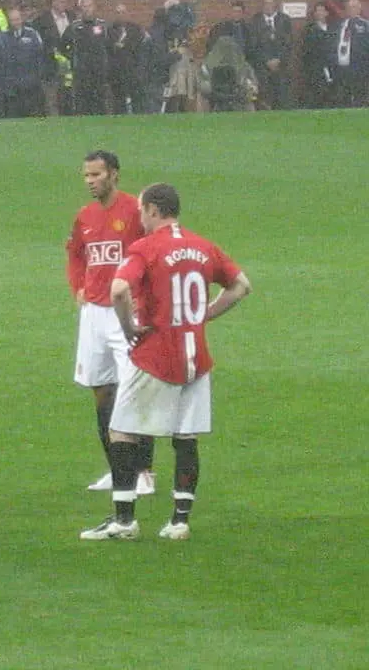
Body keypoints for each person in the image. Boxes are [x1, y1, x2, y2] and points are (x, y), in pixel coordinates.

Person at [80, 183, 252, 541]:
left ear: (155, 211)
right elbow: (241, 286)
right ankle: (179, 522)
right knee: (185, 436)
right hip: (196, 357)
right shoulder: (203, 246)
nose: (138, 217)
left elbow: (118, 290)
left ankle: (124, 521)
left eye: (142, 210)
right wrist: (203, 315)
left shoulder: (145, 248)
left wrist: (129, 327)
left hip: (156, 356)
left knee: (122, 430)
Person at [66, 151, 154, 495]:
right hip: (94, 315)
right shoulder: (85, 216)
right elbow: (75, 254)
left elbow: (151, 253)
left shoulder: (135, 211)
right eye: (86, 176)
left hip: (127, 311)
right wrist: (78, 287)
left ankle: (145, 471)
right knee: (100, 390)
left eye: (96, 175)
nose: (90, 181)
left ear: (114, 175)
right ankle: (118, 471)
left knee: (134, 388)